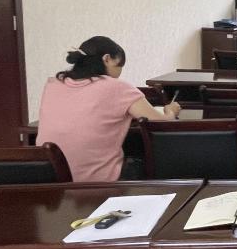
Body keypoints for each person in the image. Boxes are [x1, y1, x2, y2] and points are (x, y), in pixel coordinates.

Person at [37, 36, 181, 182]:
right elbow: (160, 124)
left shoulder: (53, 83)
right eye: (119, 65)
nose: (120, 72)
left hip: (50, 180)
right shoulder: (117, 87)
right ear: (107, 59)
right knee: (148, 161)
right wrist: (171, 111)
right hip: (98, 182)